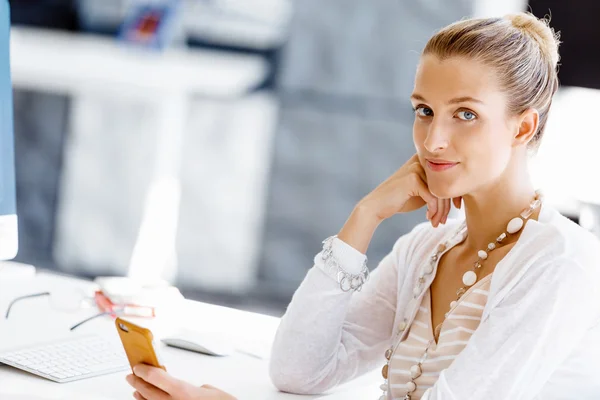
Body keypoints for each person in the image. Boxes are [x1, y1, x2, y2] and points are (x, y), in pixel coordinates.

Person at [125, 11, 600, 400]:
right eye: (424, 110)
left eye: (466, 114)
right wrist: (365, 216)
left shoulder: (559, 262)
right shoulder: (426, 249)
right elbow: (300, 372)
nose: (434, 140)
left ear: (521, 128)